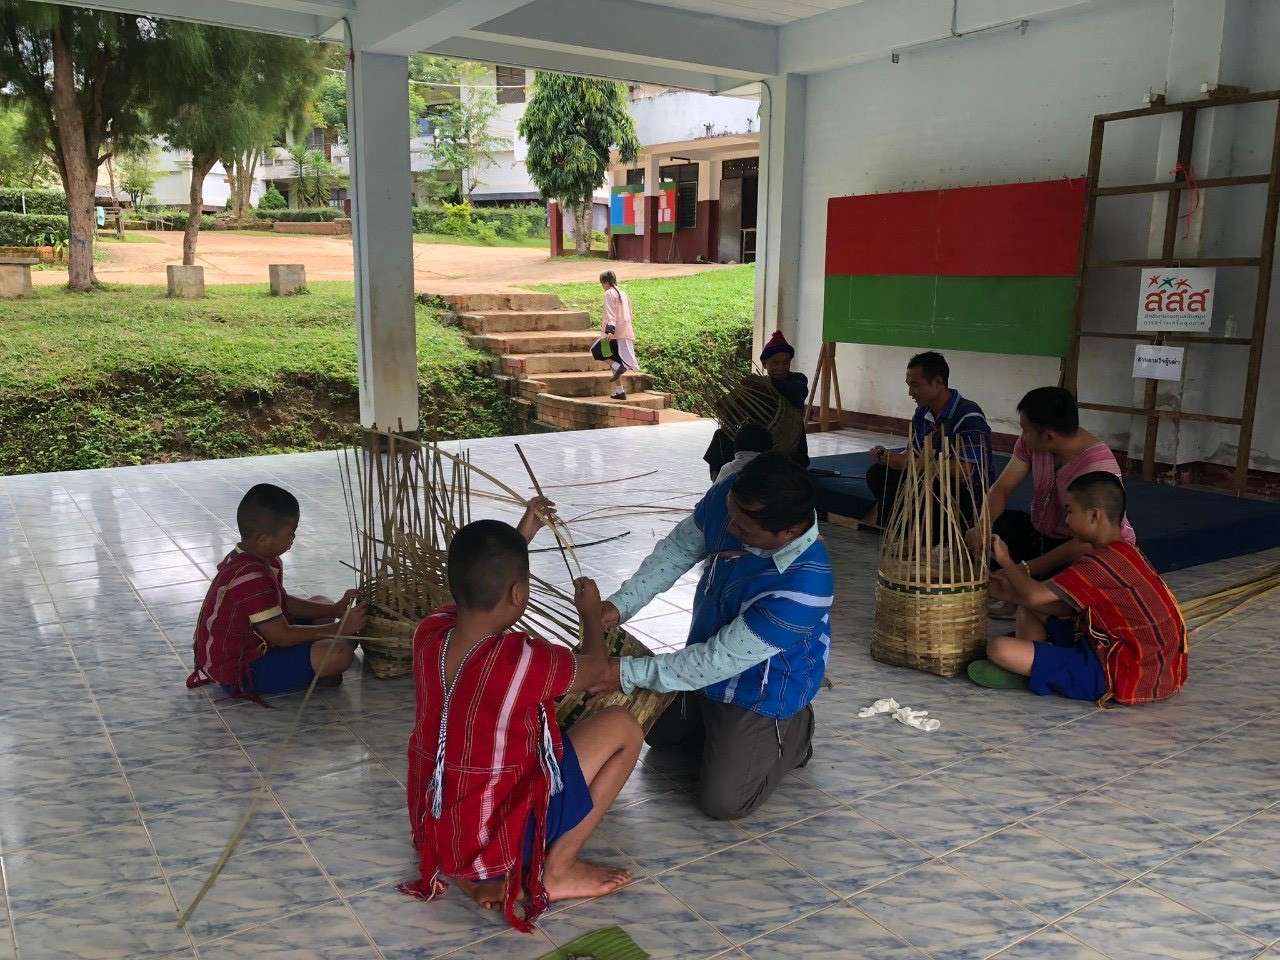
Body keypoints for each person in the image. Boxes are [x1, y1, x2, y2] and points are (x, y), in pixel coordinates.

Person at [400, 503, 642, 932]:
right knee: (623, 726)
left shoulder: (430, 632)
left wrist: (522, 536)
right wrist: (589, 614)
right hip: (496, 838)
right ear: (518, 594)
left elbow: (469, 594)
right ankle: (558, 870)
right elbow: (597, 669)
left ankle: (472, 873)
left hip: (439, 834)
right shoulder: (521, 659)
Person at [591, 454, 832, 821]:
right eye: (730, 514)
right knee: (659, 735)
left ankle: (795, 731)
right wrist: (619, 607)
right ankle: (722, 733)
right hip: (703, 665)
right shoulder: (735, 499)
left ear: (788, 533)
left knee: (723, 802)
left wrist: (619, 671)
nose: (730, 527)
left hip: (759, 691)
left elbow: (715, 661)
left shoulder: (806, 585)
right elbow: (677, 551)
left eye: (744, 529)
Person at [968, 472, 1187, 705]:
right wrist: (1010, 593)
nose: (1066, 521)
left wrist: (1006, 560)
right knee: (1028, 608)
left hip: (1124, 672)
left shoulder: (1101, 563)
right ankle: (1036, 664)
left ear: (1094, 515)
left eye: (1070, 511)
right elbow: (1050, 605)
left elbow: (1034, 594)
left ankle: (1032, 670)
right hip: (1153, 666)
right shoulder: (1126, 552)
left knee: (998, 648)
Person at [186, 483, 367, 702]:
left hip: (262, 639)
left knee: (322, 603)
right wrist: (339, 627)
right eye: (291, 534)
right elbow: (281, 636)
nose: (293, 539)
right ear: (264, 539)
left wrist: (335, 609)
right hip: (241, 670)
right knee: (339, 654)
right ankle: (319, 664)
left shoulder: (258, 557)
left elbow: (282, 602)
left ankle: (321, 654)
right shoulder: (251, 576)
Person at [968, 387, 1136, 603]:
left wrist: (1021, 569)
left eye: (1025, 430)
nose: (1022, 436)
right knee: (1001, 528)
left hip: (1086, 546)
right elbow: (1002, 488)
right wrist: (983, 527)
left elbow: (1085, 543)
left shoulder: (1096, 468)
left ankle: (1029, 597)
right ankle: (1023, 592)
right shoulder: (1035, 443)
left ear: (1048, 436)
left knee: (1043, 603)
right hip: (1045, 534)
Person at [866, 351, 992, 526]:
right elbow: (914, 454)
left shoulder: (968, 414)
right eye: (908, 385)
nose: (910, 392)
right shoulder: (922, 412)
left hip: (962, 492)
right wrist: (888, 457)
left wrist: (910, 464)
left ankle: (933, 531)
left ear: (938, 382)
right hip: (930, 480)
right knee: (879, 474)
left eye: (915, 385)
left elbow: (966, 469)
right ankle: (893, 529)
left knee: (930, 487)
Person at [702, 331, 811, 479]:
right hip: (761, 438)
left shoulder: (797, 381)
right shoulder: (758, 385)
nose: (781, 367)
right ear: (765, 364)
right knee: (721, 436)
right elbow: (735, 409)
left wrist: (763, 384)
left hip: (790, 445)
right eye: (775, 363)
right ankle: (718, 480)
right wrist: (728, 402)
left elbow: (795, 392)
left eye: (785, 362)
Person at [599, 271, 637, 400]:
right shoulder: (623, 293)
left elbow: (611, 313)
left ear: (606, 282)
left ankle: (619, 367)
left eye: (602, 283)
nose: (602, 286)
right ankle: (620, 391)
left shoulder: (609, 293)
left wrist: (610, 330)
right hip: (624, 330)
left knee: (597, 351)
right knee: (613, 359)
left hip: (611, 332)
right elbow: (630, 313)